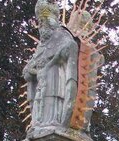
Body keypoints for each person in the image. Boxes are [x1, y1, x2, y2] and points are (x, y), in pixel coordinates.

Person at [23, 1, 79, 133]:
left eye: (44, 22)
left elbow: (70, 48)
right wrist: (34, 72)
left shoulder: (62, 36)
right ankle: (38, 123)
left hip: (55, 79)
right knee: (40, 107)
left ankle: (54, 122)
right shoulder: (40, 46)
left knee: (53, 104)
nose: (41, 26)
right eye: (40, 23)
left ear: (51, 23)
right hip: (41, 87)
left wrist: (55, 59)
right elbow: (27, 71)